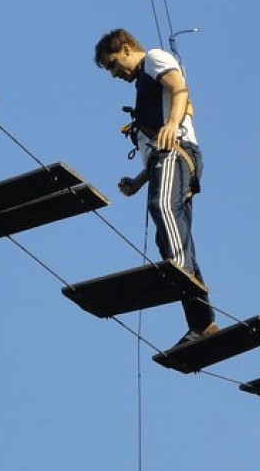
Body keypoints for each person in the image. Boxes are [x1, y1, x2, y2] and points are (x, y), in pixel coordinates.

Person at [93, 28, 217, 346]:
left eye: (111, 65)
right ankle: (201, 323)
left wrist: (173, 125)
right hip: (167, 159)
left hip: (176, 154)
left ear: (124, 49)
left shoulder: (155, 59)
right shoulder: (143, 90)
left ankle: (179, 270)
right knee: (172, 238)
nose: (114, 74)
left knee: (162, 210)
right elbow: (155, 149)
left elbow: (178, 88)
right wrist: (137, 182)